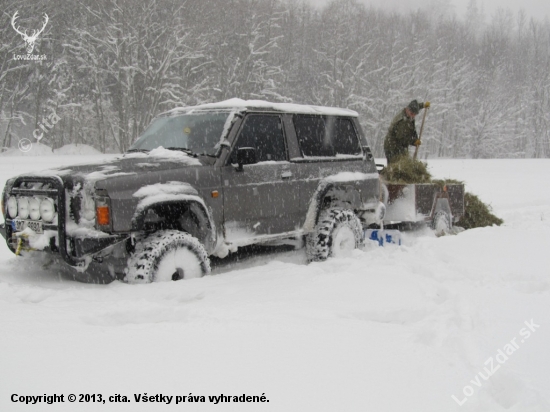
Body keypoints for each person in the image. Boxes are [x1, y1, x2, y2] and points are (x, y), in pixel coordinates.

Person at [383, 99, 430, 165]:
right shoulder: (402, 122)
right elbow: (403, 138)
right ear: (407, 110)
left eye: (414, 114)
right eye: (412, 114)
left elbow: (416, 107)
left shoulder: (408, 112)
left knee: (403, 165)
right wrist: (414, 142)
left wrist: (423, 105)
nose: (413, 116)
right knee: (396, 167)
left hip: (400, 146)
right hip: (393, 147)